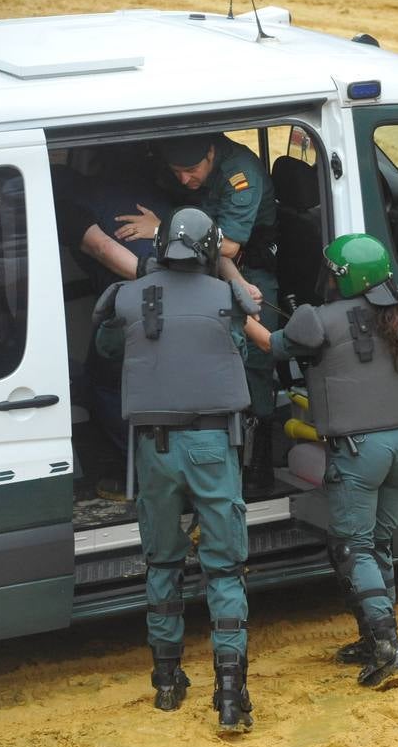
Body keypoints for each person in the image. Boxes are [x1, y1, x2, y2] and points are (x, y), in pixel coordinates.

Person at [90, 207, 259, 734]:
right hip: (212, 441)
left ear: (161, 247)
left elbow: (106, 347)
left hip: (154, 448)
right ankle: (230, 694)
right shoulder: (227, 297)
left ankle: (167, 682)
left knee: (162, 563)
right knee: (224, 568)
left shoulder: (123, 297)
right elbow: (237, 347)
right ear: (208, 250)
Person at [243, 234, 398, 688]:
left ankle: (388, 647)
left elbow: (272, 344)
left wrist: (239, 310)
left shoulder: (315, 319)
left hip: (360, 452)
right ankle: (377, 637)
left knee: (353, 547)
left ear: (343, 278)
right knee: (378, 546)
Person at [116, 134, 281, 489]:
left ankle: (259, 465)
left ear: (210, 153)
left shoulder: (240, 173)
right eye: (177, 171)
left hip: (247, 269)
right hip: (199, 266)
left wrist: (162, 230)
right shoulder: (181, 167)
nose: (184, 180)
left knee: (253, 359)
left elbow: (232, 243)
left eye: (191, 171)